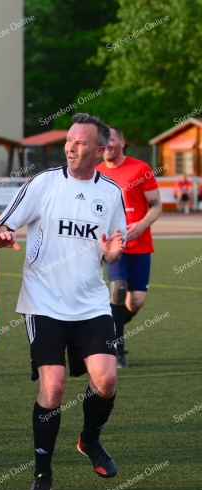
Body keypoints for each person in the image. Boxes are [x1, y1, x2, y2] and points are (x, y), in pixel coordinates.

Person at [0, 113, 126, 490]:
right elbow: (2, 225)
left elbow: (113, 248)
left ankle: (89, 440)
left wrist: (112, 254)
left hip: (91, 304)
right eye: (69, 140)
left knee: (106, 381)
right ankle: (42, 473)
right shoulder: (43, 183)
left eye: (81, 142)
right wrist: (2, 236)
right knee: (53, 387)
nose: (71, 147)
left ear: (100, 151)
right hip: (44, 302)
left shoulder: (111, 193)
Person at [96, 127, 162, 368]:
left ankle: (106, 330)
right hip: (113, 245)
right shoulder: (95, 172)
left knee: (136, 301)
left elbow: (156, 205)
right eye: (103, 140)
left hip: (141, 245)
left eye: (111, 139)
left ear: (122, 142)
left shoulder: (140, 169)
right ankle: (117, 349)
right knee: (118, 289)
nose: (107, 144)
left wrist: (141, 226)